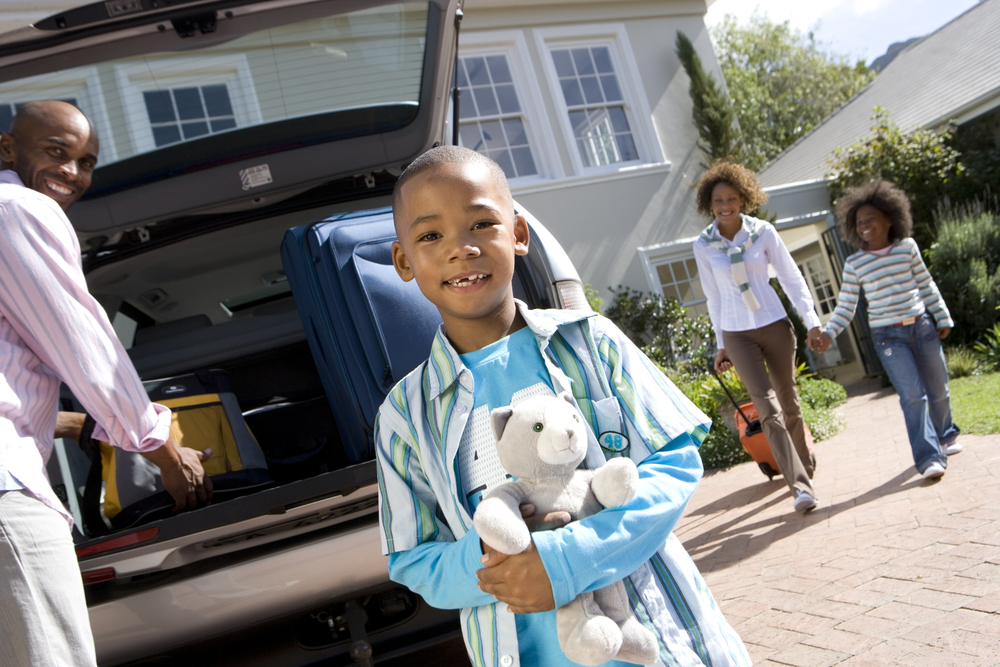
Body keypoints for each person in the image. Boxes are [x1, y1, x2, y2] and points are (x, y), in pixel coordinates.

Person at [375, 145, 751, 667]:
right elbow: (413, 558)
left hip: (656, 640)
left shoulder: (591, 343)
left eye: (481, 224)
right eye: (430, 235)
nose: (460, 249)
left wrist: (568, 559)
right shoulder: (403, 414)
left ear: (519, 234)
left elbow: (675, 461)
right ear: (403, 261)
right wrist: (497, 560)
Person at [0, 100, 213, 667]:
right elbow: (84, 349)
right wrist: (161, 446)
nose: (72, 171)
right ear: (6, 149)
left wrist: (82, 426)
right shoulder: (17, 209)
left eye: (87, 161)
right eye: (56, 151)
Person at [691, 160, 822, 514]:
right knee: (767, 408)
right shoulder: (703, 245)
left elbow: (791, 278)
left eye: (731, 197)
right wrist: (720, 344)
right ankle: (800, 486)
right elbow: (713, 297)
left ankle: (804, 464)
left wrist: (812, 321)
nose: (725, 205)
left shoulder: (762, 233)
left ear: (744, 198)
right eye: (718, 200)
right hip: (737, 333)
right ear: (710, 204)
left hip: (774, 324)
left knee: (788, 401)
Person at [808, 179, 960, 480]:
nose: (864, 225)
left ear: (890, 219)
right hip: (888, 336)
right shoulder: (855, 264)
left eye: (871, 219)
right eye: (859, 222)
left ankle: (946, 435)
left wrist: (942, 316)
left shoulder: (907, 248)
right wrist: (828, 333)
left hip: (921, 326)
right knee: (913, 395)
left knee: (939, 388)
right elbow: (847, 306)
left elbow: (926, 283)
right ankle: (929, 457)